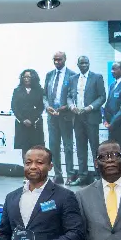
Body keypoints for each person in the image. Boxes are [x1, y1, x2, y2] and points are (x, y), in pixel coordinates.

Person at [67, 56, 106, 186]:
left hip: (91, 117)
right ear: (77, 65)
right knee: (80, 148)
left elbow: (102, 97)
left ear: (89, 64)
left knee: (95, 147)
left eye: (86, 63)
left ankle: (98, 175)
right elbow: (69, 96)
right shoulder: (73, 79)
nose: (84, 65)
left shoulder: (97, 77)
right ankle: (82, 176)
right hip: (77, 118)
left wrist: (90, 107)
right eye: (81, 63)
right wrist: (72, 106)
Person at [43, 52, 77, 184]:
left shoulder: (73, 75)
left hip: (66, 116)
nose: (57, 62)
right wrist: (47, 107)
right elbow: (44, 95)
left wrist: (66, 107)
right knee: (54, 147)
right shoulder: (49, 75)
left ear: (65, 59)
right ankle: (58, 174)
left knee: (68, 147)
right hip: (52, 117)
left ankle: (70, 174)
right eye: (55, 60)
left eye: (59, 59)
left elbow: (74, 95)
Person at [10, 69, 45, 160]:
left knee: (36, 148)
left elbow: (41, 107)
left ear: (34, 78)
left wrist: (32, 120)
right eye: (24, 77)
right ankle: (27, 169)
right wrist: (23, 120)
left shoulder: (40, 90)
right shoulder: (17, 90)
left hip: (35, 124)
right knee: (24, 148)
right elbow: (14, 107)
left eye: (29, 77)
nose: (26, 79)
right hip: (22, 123)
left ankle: (36, 170)